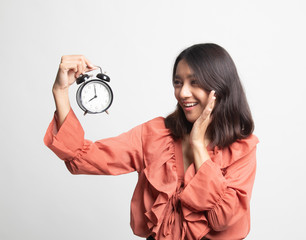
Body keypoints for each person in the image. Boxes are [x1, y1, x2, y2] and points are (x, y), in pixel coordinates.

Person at [44, 43, 259, 240]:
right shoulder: (155, 133)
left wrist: (197, 145)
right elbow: (82, 158)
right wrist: (60, 92)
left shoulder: (242, 149)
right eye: (178, 82)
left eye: (195, 82)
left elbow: (222, 218)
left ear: (219, 87)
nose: (183, 93)